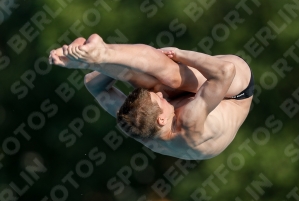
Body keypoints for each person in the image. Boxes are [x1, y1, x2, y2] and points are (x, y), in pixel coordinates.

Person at [50, 34, 254, 160]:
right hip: (235, 90)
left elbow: (94, 86)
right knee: (169, 78)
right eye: (161, 100)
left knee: (141, 79)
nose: (161, 95)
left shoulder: (137, 125)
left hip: (200, 95)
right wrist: (180, 54)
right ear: (162, 119)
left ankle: (90, 59)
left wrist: (100, 67)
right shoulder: (189, 123)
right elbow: (225, 71)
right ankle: (102, 54)